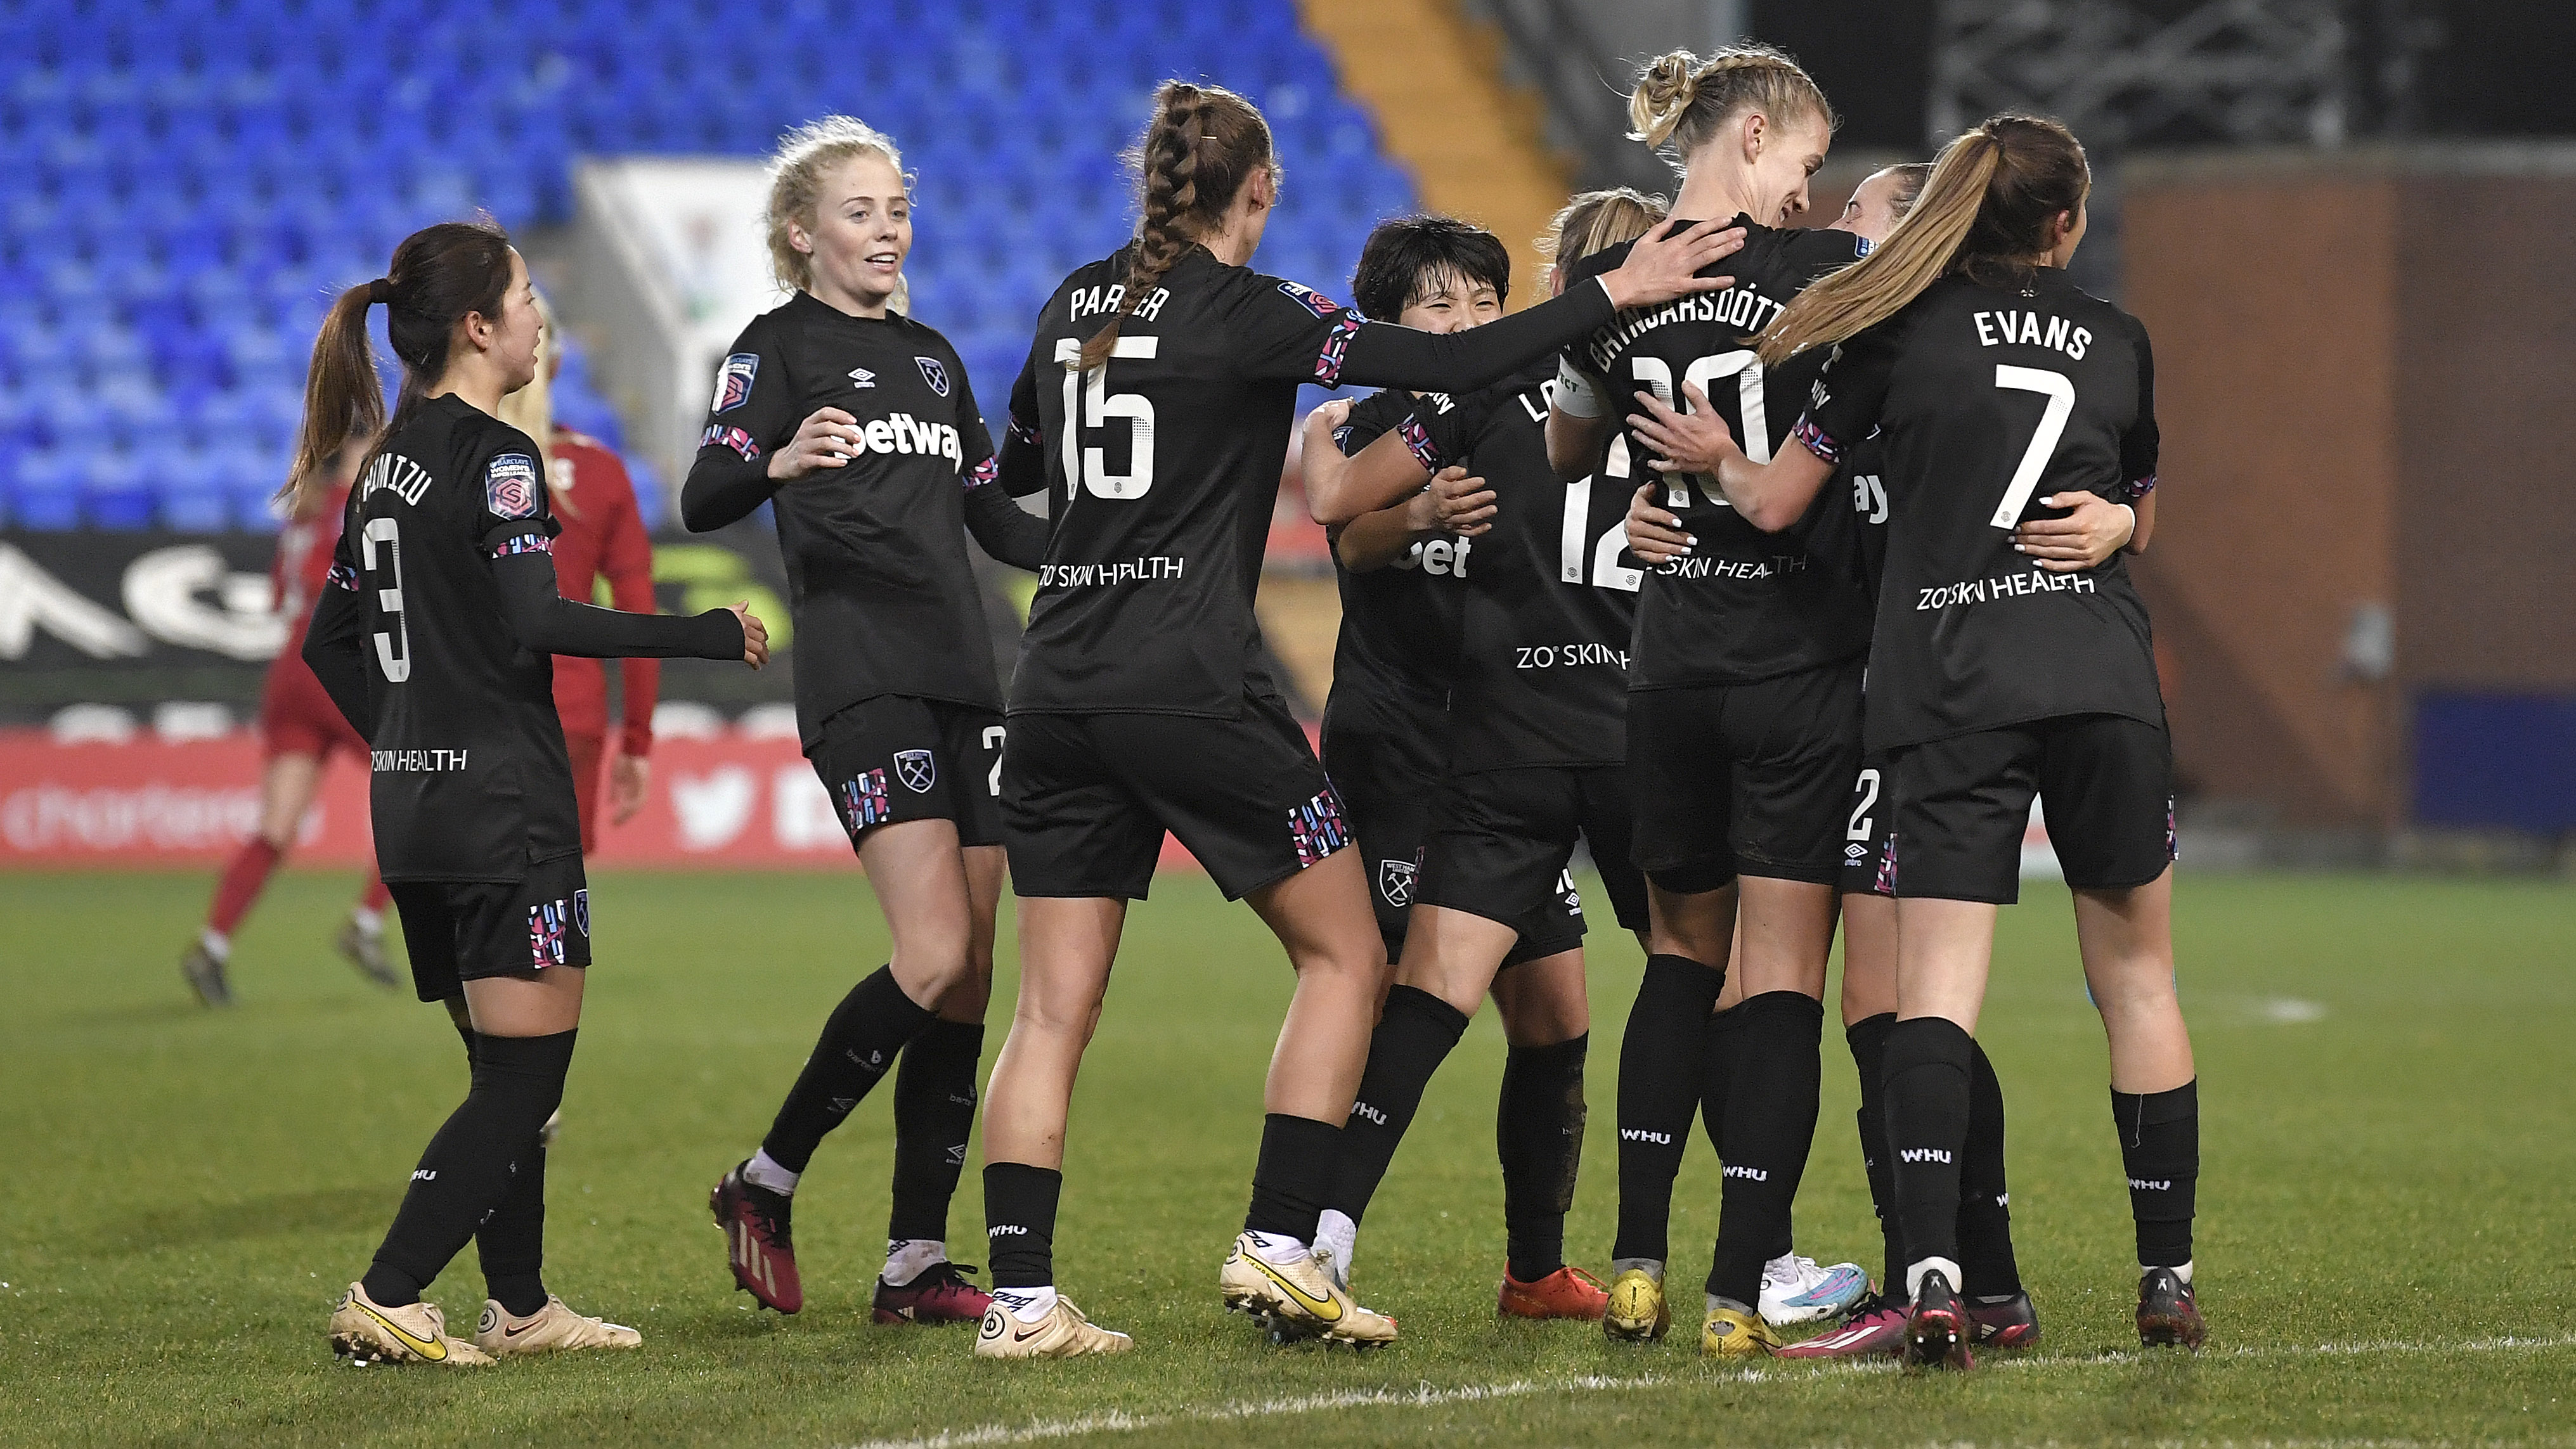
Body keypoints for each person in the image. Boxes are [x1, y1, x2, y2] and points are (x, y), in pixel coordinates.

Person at [973, 79, 1744, 1358]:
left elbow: (1008, 484)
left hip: (1053, 686)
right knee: (1347, 960)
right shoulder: (1255, 311)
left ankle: (1019, 1299)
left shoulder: (1070, 305)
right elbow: (1441, 366)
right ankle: (1283, 1247)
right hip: (1191, 685)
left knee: (1051, 1011)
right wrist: (1606, 295)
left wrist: (1041, 538)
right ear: (1260, 193)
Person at [1636, 113, 2197, 1369]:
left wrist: (1713, 469)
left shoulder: (1893, 330)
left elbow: (1779, 498)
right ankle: (2167, 1278)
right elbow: (2141, 505)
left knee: (1923, 997)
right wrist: (2111, 525)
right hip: (2103, 672)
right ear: (2068, 224)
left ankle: (1936, 1280)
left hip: (1948, 682)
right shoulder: (2119, 336)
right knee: (2141, 981)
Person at [298, 218, 768, 1366]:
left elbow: (329, 643)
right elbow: (539, 620)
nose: (538, 314)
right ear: (476, 326)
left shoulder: (383, 465)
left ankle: (519, 1304)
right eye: (522, 294)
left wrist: (409, 742)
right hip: (503, 810)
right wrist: (706, 631)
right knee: (524, 1078)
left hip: (414, 813)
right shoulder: (496, 456)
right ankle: (391, 1287)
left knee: (501, 1070)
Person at [685, 117, 1049, 1327]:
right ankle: (765, 1178)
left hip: (966, 676)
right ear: (803, 235)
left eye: (896, 208)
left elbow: (997, 524)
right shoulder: (773, 348)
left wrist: (1125, 542)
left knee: (970, 972)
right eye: (859, 211)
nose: (887, 227)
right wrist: (777, 459)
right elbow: (703, 490)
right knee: (934, 950)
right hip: (861, 676)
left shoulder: (937, 360)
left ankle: (911, 1261)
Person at [1543, 44, 1877, 1356]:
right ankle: (1743, 1290)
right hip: (1793, 666)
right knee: (1783, 977)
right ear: (1751, 138)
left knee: (1680, 960)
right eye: (1801, 163)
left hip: (1668, 665)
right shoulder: (1827, 279)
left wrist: (1643, 465)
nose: (1808, 192)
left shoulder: (1609, 284)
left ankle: (1634, 1261)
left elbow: (1565, 451)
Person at [1296, 209, 1633, 1324]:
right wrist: (1418, 513)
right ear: (1388, 321)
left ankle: (1533, 1270)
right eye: (1439, 304)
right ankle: (1302, 1240)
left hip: (1503, 743)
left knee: (1554, 1010)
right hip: (1397, 747)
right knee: (1397, 996)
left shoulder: (1519, 409)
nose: (1467, 320)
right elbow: (1343, 535)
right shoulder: (1357, 424)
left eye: (1483, 302)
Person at [178, 433, 398, 1007]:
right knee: (428, 787)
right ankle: (366, 924)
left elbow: (281, 597)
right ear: (354, 456)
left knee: (276, 827)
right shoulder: (364, 506)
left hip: (291, 678)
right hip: (339, 671)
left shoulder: (305, 513)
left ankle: (212, 944)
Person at [495, 290, 661, 853]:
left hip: (468, 717)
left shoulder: (438, 465)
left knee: (472, 914)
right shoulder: (600, 471)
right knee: (553, 907)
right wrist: (636, 742)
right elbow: (639, 616)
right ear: (559, 365)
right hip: (570, 714)